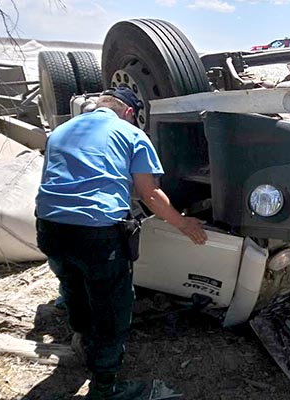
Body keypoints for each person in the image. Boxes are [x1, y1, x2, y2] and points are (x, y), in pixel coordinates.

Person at [35, 86, 207, 399]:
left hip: (49, 228)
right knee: (111, 306)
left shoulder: (60, 131)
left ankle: (84, 340)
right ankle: (106, 387)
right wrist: (183, 223)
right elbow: (150, 194)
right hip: (96, 233)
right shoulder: (130, 134)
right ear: (129, 112)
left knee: (73, 286)